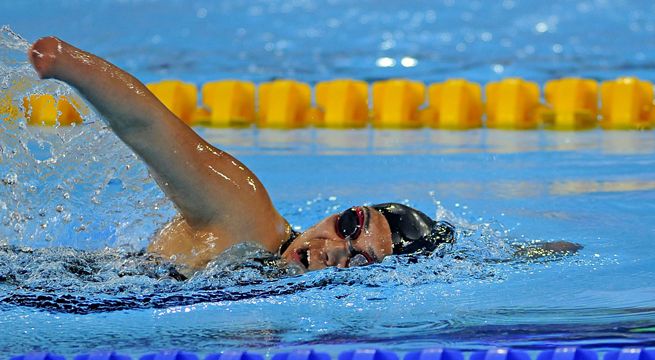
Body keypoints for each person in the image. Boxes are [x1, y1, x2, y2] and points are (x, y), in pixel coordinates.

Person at [27, 37, 576, 276]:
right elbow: (149, 127)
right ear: (340, 209)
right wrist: (69, 64)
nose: (336, 250)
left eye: (361, 260)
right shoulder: (242, 210)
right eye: (350, 225)